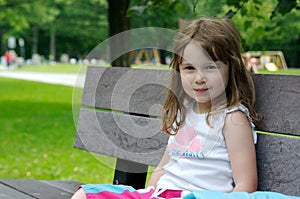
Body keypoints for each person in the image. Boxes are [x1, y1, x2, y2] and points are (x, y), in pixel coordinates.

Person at [71, 16, 261, 199]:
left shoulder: (232, 119)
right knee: (84, 195)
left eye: (210, 67)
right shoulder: (184, 111)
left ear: (231, 68)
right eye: (189, 68)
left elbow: (245, 186)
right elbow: (164, 167)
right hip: (162, 194)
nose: (199, 78)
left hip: (199, 196)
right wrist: (149, 192)